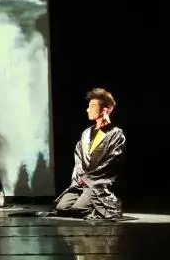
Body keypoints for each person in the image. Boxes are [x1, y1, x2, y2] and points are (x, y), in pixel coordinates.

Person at [54, 88, 126, 220]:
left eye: (92, 106)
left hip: (98, 184)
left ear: (104, 109)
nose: (88, 109)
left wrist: (89, 178)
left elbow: (113, 161)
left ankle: (96, 206)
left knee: (77, 209)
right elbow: (79, 159)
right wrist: (80, 178)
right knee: (62, 207)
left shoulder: (116, 134)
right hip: (82, 183)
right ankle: (88, 203)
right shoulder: (86, 133)